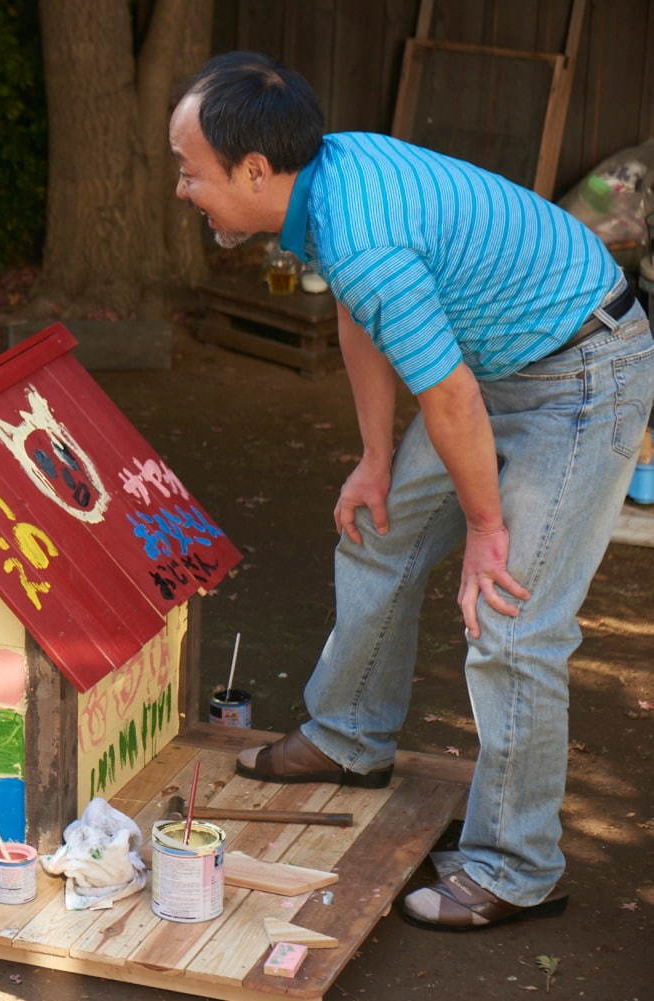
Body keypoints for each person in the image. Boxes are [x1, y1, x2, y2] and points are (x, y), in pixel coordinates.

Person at [169, 53, 654, 930]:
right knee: (378, 527)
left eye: (190, 170)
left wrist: (485, 526)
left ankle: (517, 866)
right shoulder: (328, 185)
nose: (182, 188)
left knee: (511, 616)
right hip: (497, 359)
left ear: (253, 170)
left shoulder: (364, 232)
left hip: (583, 371)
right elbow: (363, 317)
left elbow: (449, 395)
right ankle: (350, 738)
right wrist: (373, 458)